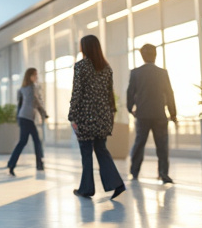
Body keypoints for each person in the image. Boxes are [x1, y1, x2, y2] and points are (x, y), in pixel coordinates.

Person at [68, 34, 125, 200]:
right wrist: (111, 116)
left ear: (84, 47)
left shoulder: (81, 66)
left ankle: (86, 189)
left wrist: (72, 116)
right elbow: (110, 95)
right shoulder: (107, 68)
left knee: (86, 152)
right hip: (103, 116)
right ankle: (117, 184)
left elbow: (77, 93)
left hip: (85, 116)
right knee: (101, 150)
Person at [127, 44, 178, 184]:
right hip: (159, 114)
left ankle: (134, 172)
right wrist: (173, 113)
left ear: (142, 56)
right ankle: (163, 174)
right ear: (155, 55)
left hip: (142, 114)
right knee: (162, 145)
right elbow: (169, 93)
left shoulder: (135, 73)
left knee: (139, 143)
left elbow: (130, 92)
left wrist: (130, 108)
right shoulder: (162, 73)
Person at [7, 68, 49, 176]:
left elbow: (21, 105)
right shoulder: (32, 88)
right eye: (34, 75)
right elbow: (37, 102)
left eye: (37, 75)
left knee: (28, 141)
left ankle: (13, 164)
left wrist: (42, 113)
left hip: (24, 117)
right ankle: (37, 164)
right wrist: (44, 113)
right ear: (29, 76)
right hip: (27, 118)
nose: (37, 77)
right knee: (30, 141)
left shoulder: (23, 88)